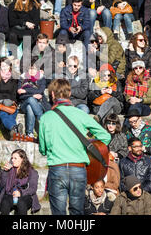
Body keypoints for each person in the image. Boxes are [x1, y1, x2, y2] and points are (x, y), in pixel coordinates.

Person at [39, 79, 111, 215]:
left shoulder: (45, 118)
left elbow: (42, 149)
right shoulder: (80, 114)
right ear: (70, 93)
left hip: (57, 168)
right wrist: (89, 142)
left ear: (53, 95)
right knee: (77, 212)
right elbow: (105, 136)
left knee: (58, 213)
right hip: (78, 169)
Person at [0, 149, 40, 215]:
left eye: (15, 158)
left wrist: (21, 193)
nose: (12, 160)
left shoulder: (32, 172)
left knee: (21, 203)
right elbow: (2, 185)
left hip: (25, 195)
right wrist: (5, 171)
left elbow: (33, 188)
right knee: (5, 202)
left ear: (22, 159)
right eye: (12, 158)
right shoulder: (9, 170)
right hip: (10, 194)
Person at [18, 59, 50, 138]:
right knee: (30, 100)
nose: (32, 71)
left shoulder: (41, 79)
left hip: (39, 104)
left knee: (30, 107)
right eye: (30, 68)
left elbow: (40, 91)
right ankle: (41, 119)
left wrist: (25, 91)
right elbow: (20, 95)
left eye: (34, 69)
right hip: (23, 104)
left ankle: (29, 133)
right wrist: (32, 95)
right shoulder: (22, 78)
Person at [0, 57, 21, 135]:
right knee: (3, 113)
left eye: (6, 66)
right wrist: (1, 101)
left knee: (11, 113)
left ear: (10, 66)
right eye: (2, 66)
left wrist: (10, 101)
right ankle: (14, 128)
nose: (4, 68)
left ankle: (13, 132)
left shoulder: (14, 77)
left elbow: (15, 94)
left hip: (11, 103)